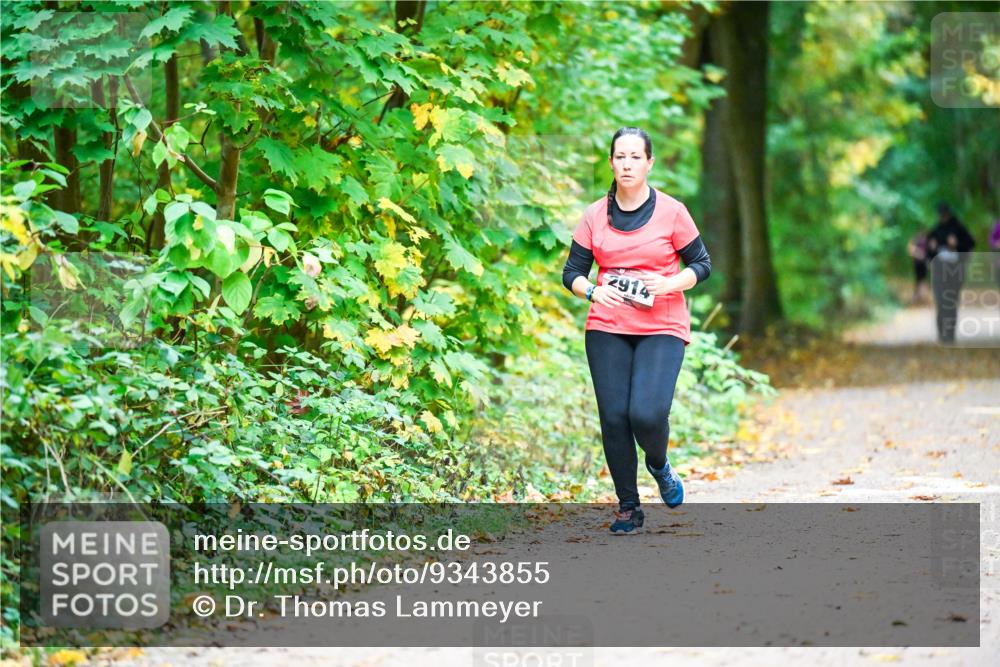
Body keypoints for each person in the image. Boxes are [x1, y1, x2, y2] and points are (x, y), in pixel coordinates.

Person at [561, 127, 711, 534]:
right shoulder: (595, 215)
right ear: (611, 162)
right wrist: (592, 291)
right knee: (614, 418)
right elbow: (572, 272)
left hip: (662, 323)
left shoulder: (672, 212)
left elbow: (702, 264)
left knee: (646, 414)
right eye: (620, 157)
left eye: (635, 157)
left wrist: (670, 283)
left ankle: (659, 465)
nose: (627, 164)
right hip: (607, 325)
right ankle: (628, 506)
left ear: (649, 163)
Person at [926, 202, 975, 344]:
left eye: (944, 214)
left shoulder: (958, 228)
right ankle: (942, 333)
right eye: (941, 215)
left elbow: (970, 244)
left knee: (951, 302)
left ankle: (950, 334)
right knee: (940, 301)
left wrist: (956, 244)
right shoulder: (935, 230)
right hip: (939, 271)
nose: (943, 217)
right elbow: (929, 253)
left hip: (955, 271)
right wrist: (932, 248)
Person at [907, 231, 929, 305]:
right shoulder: (916, 240)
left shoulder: (917, 240)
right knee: (920, 279)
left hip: (920, 263)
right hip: (918, 263)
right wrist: (920, 254)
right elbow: (911, 250)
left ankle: (920, 297)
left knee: (920, 280)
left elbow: (911, 250)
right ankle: (919, 297)